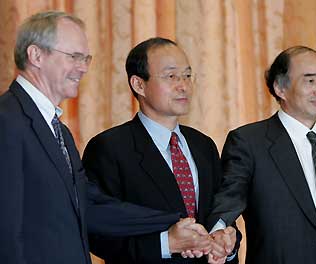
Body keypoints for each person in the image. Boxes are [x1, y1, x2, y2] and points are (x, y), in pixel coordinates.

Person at [0, 11, 210, 264]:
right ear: (36, 55)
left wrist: (177, 223)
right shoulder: (7, 120)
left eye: (86, 58)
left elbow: (92, 206)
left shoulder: (59, 131)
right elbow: (6, 229)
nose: (84, 68)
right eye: (75, 57)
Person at [82, 37, 240, 264]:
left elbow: (217, 212)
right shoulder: (109, 148)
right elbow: (97, 233)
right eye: (171, 76)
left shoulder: (203, 145)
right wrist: (166, 243)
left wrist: (225, 240)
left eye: (187, 75)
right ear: (139, 84)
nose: (183, 85)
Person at [207, 46, 316, 264]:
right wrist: (218, 233)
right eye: (310, 81)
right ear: (280, 88)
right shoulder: (248, 141)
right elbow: (228, 197)